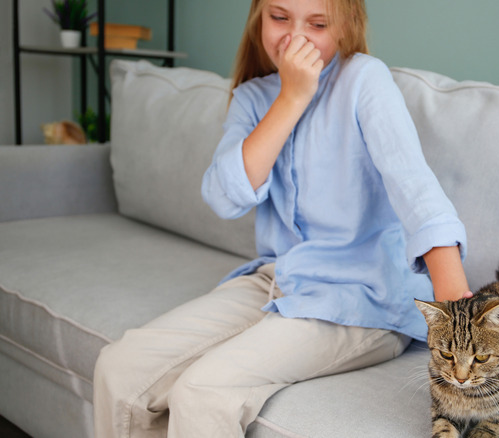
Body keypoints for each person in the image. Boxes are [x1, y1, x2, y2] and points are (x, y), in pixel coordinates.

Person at [92, 0, 470, 436]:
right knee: (118, 369)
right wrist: (291, 97)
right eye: (279, 18)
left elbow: (414, 187)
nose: (295, 37)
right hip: (279, 278)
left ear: (346, 28)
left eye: (317, 24)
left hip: (362, 296)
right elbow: (223, 196)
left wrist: (456, 307)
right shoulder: (252, 99)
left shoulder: (364, 79)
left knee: (201, 391)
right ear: (258, 19)